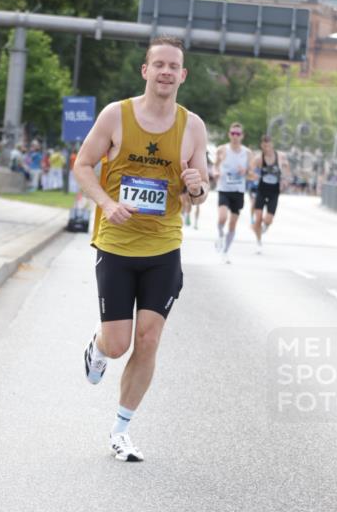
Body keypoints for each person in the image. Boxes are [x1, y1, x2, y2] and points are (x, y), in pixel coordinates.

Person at [74, 36, 209, 462]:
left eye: (175, 66)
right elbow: (82, 165)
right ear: (145, 71)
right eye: (160, 64)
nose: (167, 72)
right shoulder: (117, 115)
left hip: (163, 246)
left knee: (148, 340)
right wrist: (107, 204)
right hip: (116, 244)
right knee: (118, 344)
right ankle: (97, 349)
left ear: (183, 76)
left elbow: (201, 188)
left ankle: (121, 430)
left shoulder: (193, 126)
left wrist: (197, 187)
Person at [214, 122, 252, 263]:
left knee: (232, 224)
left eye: (238, 134)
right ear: (229, 135)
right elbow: (215, 167)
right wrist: (216, 172)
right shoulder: (222, 149)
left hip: (238, 191)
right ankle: (219, 235)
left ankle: (225, 252)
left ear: (242, 136)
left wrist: (246, 171)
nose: (235, 136)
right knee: (222, 217)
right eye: (233, 133)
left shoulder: (247, 153)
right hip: (224, 189)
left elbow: (252, 173)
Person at [250, 134, 290, 253]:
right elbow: (249, 171)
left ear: (272, 144)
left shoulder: (281, 157)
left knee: (268, 220)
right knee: (258, 218)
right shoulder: (259, 158)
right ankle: (258, 242)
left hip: (274, 192)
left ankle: (264, 227)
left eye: (268, 145)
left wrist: (285, 180)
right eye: (264, 146)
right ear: (262, 146)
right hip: (262, 190)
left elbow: (287, 170)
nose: (266, 148)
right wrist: (254, 175)